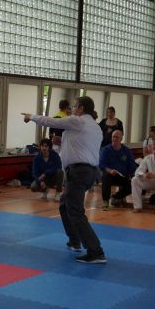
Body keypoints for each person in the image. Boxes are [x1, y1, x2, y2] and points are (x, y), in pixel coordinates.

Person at [22, 96, 106, 264]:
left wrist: (31, 117)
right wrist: (62, 141)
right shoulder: (95, 127)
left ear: (81, 109)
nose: (72, 109)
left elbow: (51, 121)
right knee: (64, 205)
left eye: (75, 106)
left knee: (75, 211)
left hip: (79, 172)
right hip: (87, 172)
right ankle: (75, 241)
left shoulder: (78, 121)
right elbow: (81, 147)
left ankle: (95, 251)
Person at [99, 129, 136, 209]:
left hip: (124, 176)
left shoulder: (127, 151)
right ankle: (105, 202)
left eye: (117, 137)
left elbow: (132, 165)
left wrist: (131, 175)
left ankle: (116, 197)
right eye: (113, 137)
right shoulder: (106, 150)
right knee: (105, 177)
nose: (114, 139)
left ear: (121, 139)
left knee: (134, 183)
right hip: (111, 175)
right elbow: (102, 165)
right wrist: (110, 170)